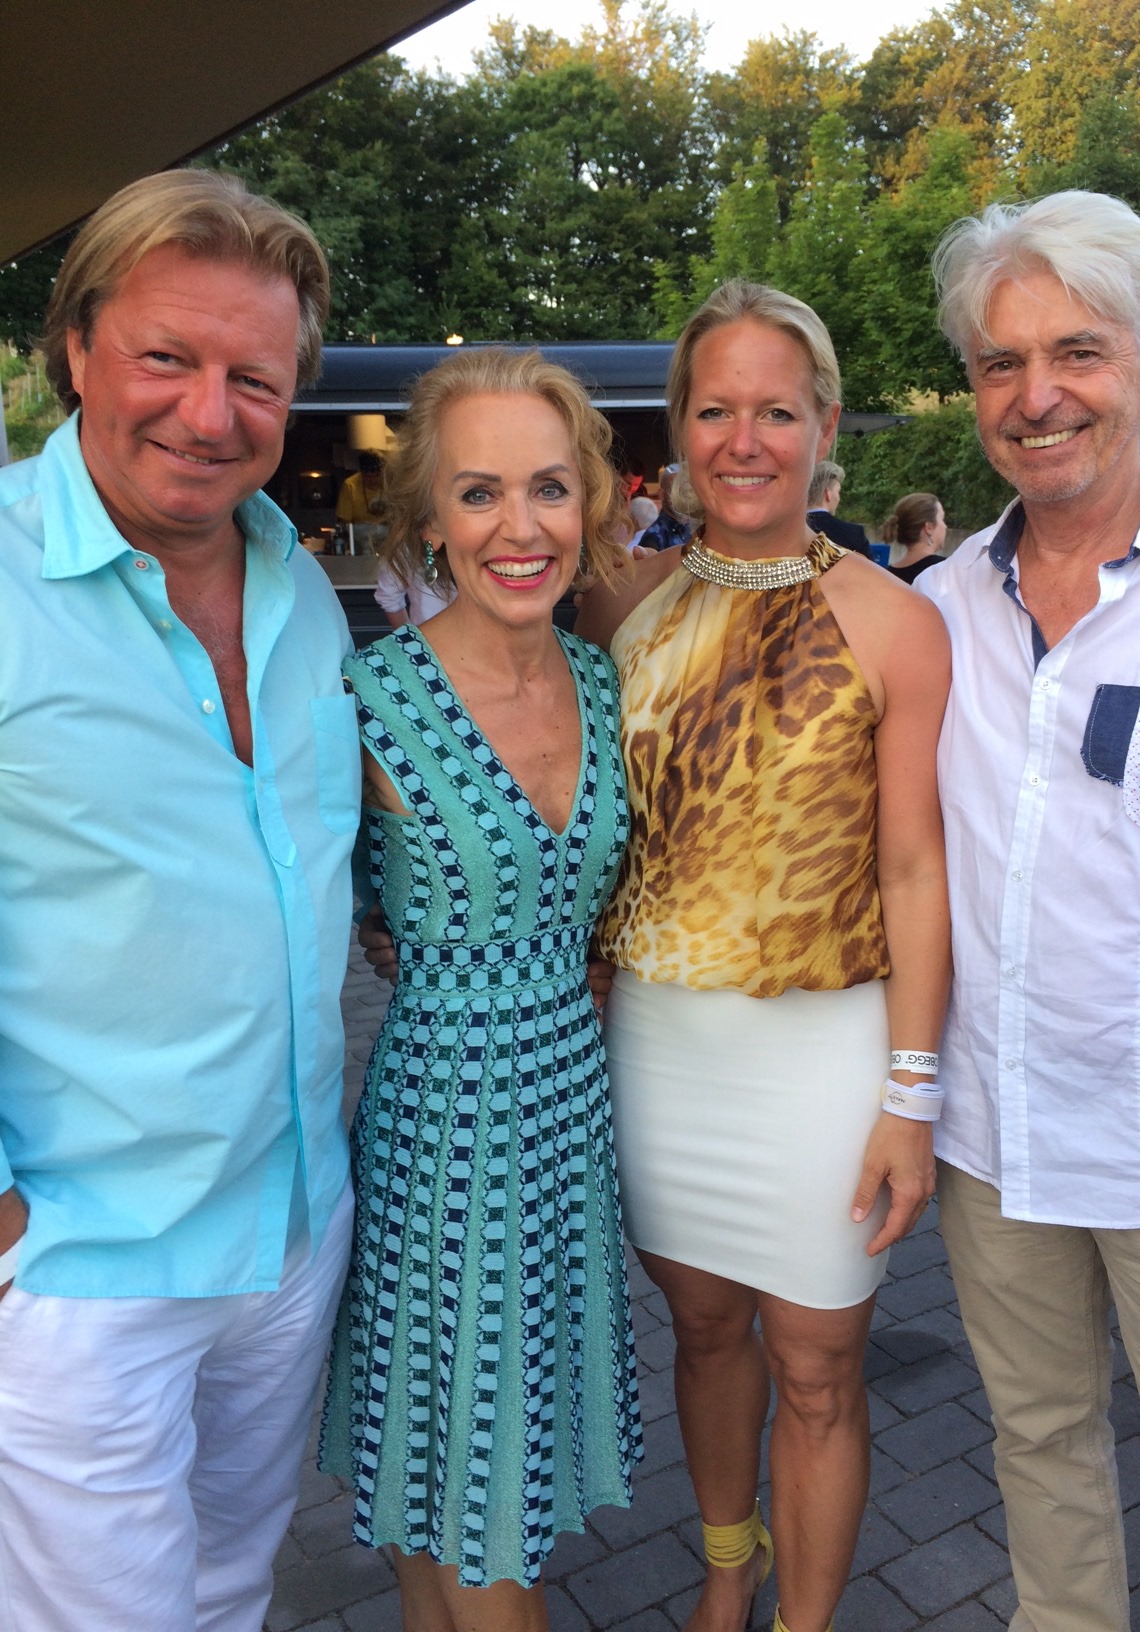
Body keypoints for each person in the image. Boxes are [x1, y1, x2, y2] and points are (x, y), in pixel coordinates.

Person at [0, 170, 358, 1632]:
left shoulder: (304, 592)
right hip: (82, 1260)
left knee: (228, 1587)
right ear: (78, 346)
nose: (210, 415)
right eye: (167, 357)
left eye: (253, 379)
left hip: (292, 1232)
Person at [577, 280, 952, 1632]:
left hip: (828, 1055)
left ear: (826, 425)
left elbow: (914, 870)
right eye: (716, 409)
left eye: (777, 412)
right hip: (661, 1049)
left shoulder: (896, 622)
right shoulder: (616, 610)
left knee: (819, 1365)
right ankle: (729, 1576)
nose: (744, 441)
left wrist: (910, 1096)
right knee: (701, 1330)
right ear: (679, 427)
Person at [921, 190, 1140, 1632]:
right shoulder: (940, 608)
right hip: (998, 1143)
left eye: (1078, 353)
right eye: (1002, 361)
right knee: (1037, 1451)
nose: (1036, 395)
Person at [319, 346, 642, 1631]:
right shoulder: (364, 698)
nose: (520, 527)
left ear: (588, 504)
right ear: (430, 520)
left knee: (454, 1474)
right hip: (449, 1133)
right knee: (470, 1495)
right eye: (479, 492)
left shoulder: (603, 679)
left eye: (549, 488)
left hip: (570, 1114)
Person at [805, 458, 871, 557]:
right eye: (838, 492)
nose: (839, 498)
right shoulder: (853, 534)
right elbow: (869, 566)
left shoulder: (788, 531)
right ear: (827, 494)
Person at [883, 492, 948, 583]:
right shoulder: (945, 570)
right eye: (942, 519)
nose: (945, 526)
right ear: (929, 527)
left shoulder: (886, 575)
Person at [639, 462, 694, 550]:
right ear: (661, 494)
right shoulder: (653, 538)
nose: (680, 497)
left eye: (684, 490)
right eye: (673, 491)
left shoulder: (694, 529)